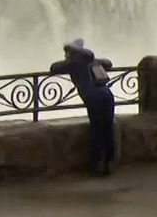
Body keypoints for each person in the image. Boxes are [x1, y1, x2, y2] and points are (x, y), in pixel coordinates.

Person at [49, 38, 116, 176]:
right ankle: (109, 163)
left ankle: (97, 166)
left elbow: (54, 67)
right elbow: (108, 63)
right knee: (108, 128)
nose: (65, 55)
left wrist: (69, 62)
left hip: (93, 98)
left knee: (97, 130)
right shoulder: (94, 61)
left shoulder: (74, 62)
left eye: (67, 52)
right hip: (107, 95)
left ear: (72, 52)